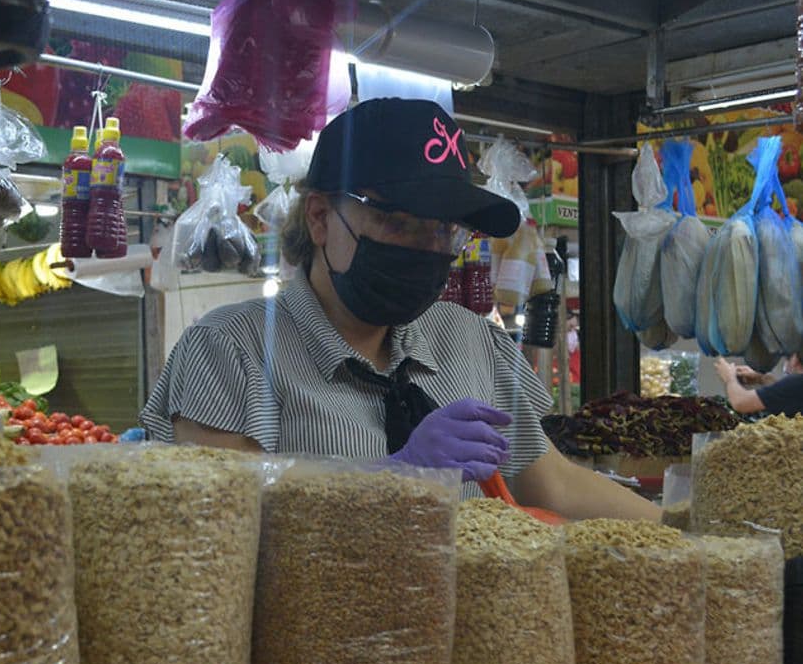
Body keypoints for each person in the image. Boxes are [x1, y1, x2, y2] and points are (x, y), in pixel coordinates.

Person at [141, 98, 659, 522]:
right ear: (321, 218)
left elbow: (554, 484)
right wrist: (394, 478)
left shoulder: (471, 341)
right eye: (401, 222)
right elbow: (219, 515)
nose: (426, 247)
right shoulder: (230, 351)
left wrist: (681, 526)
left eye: (444, 230)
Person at [715, 354, 803, 416]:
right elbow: (784, 393)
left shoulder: (797, 381)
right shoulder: (797, 385)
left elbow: (741, 402)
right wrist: (761, 378)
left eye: (788, 357)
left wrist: (729, 377)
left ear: (795, 360)